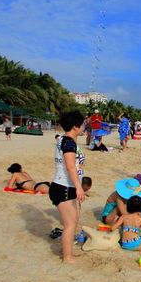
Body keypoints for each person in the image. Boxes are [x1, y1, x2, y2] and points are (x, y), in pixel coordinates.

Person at [50, 111, 86, 264]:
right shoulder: (68, 142)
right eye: (83, 124)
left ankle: (68, 251)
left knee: (74, 220)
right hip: (63, 187)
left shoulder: (65, 139)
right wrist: (79, 187)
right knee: (70, 224)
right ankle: (67, 257)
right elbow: (70, 167)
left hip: (69, 186)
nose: (85, 126)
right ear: (75, 126)